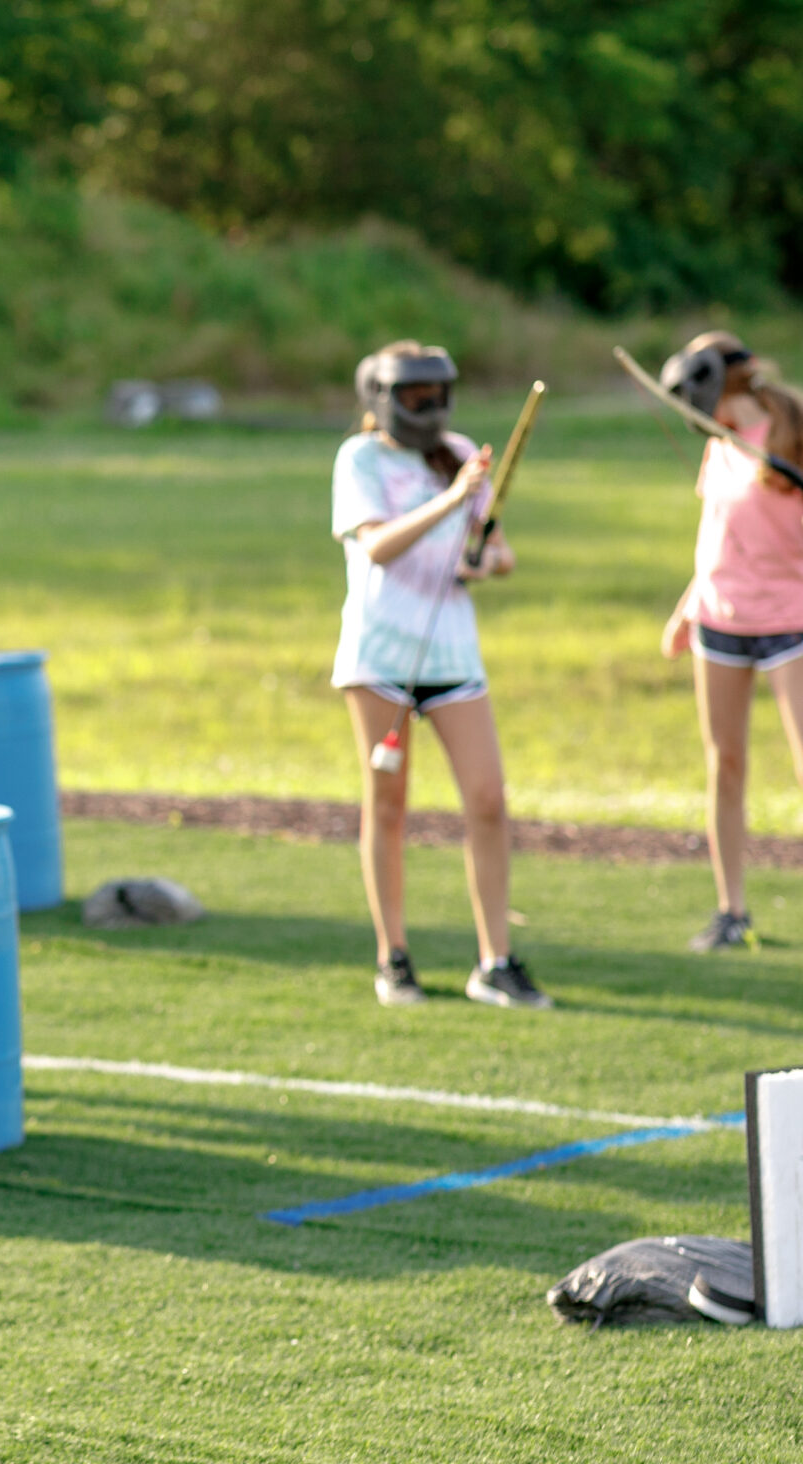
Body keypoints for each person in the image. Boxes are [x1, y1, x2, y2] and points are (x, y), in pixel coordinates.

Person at [655, 331, 803, 958]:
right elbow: (715, 541)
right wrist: (686, 610)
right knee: (725, 765)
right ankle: (731, 911)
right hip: (720, 623)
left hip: (787, 621)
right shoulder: (718, 450)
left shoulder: (796, 439)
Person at [331, 341, 549, 1009]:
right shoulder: (360, 459)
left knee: (487, 799)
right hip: (380, 658)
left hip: (453, 656)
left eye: (436, 396)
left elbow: (499, 550)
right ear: (383, 398)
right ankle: (393, 956)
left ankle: (494, 960)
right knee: (388, 806)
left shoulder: (456, 453)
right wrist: (452, 500)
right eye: (414, 397)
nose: (428, 409)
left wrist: (487, 561)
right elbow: (378, 545)